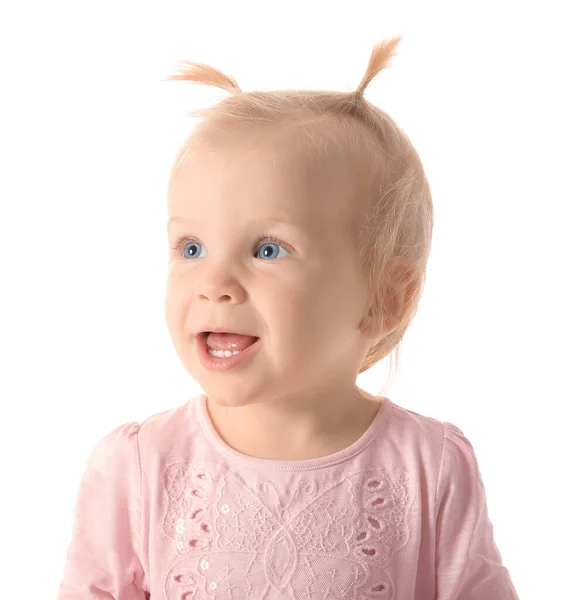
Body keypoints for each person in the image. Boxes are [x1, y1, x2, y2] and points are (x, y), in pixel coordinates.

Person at [56, 37, 520, 599]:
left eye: (268, 249)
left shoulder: (429, 468)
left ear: (385, 298)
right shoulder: (140, 466)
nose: (215, 285)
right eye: (192, 247)